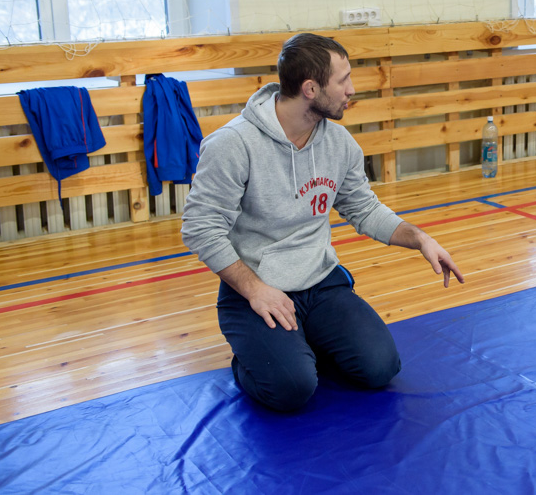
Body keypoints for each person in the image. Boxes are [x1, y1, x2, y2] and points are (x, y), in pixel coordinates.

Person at [182, 33, 464, 411]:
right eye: (343, 79)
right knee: (291, 390)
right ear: (311, 88)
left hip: (321, 282)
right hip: (258, 291)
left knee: (380, 369)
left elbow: (363, 209)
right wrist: (255, 290)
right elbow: (200, 227)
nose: (352, 89)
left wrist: (421, 239)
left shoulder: (340, 142)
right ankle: (253, 356)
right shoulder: (232, 144)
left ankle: (302, 343)